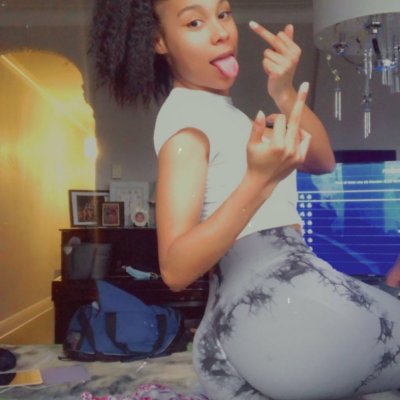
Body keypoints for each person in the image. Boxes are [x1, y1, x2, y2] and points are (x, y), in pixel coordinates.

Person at [90, 1, 400, 399]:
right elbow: (175, 269)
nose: (220, 32)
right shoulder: (187, 128)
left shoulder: (228, 118)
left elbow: (322, 161)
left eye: (222, 14)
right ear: (158, 40)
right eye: (194, 22)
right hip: (282, 310)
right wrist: (258, 182)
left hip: (247, 326)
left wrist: (283, 90)